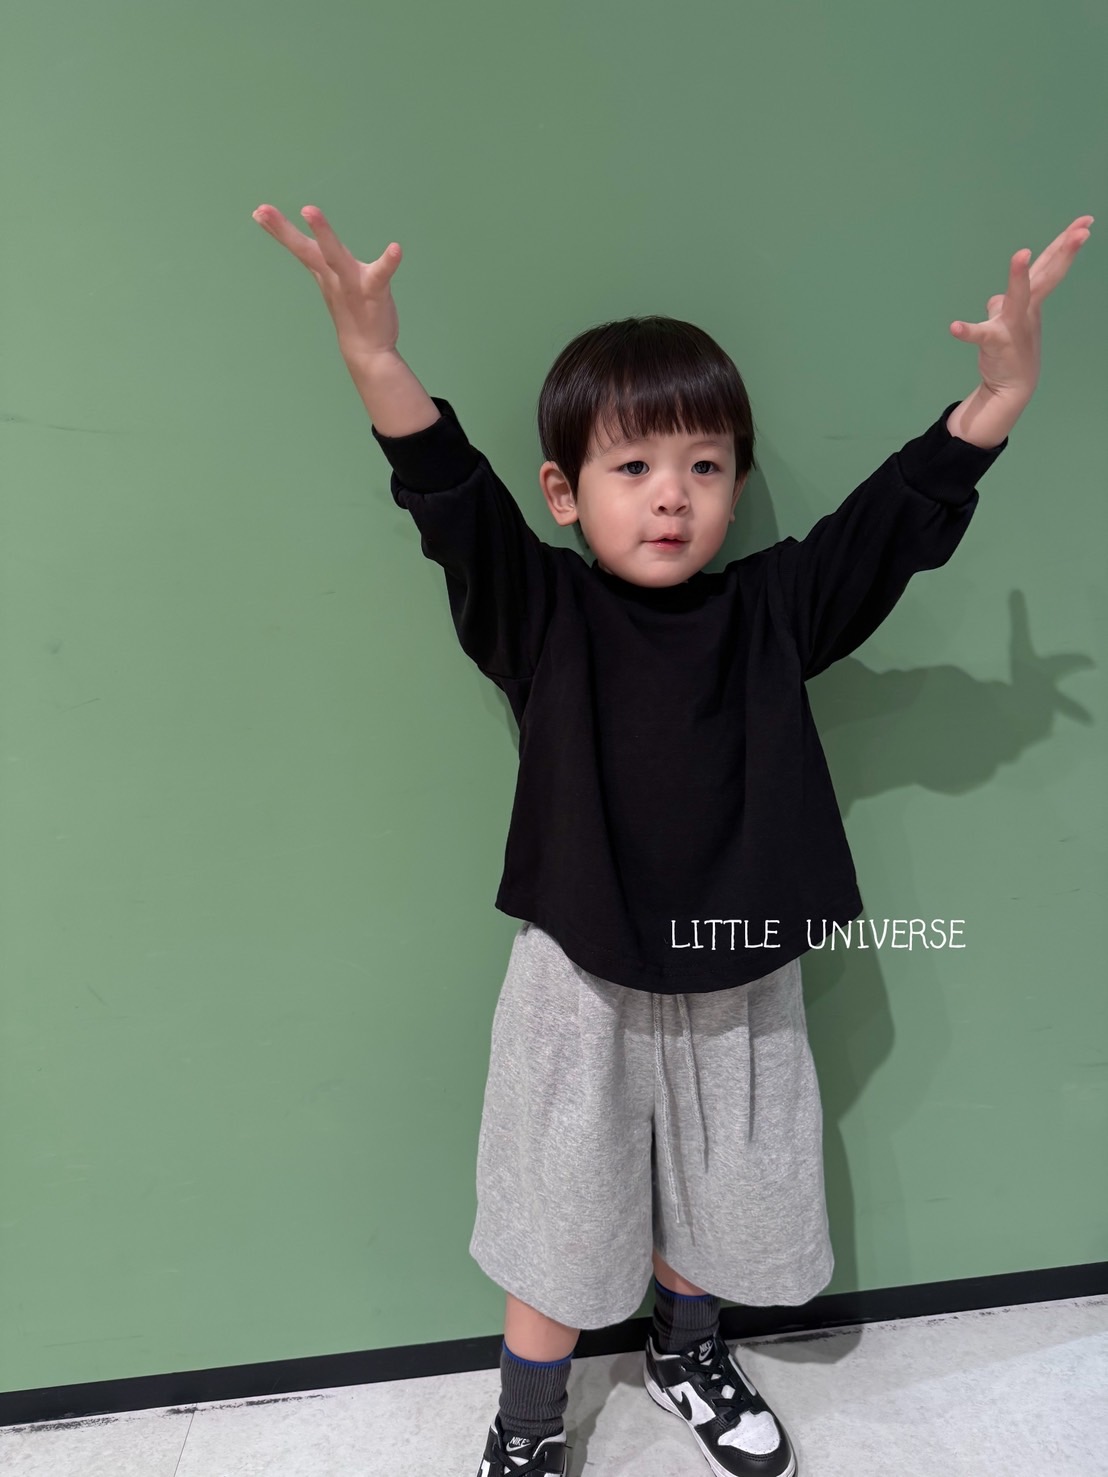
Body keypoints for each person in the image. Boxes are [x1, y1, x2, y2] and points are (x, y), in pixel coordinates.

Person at [250, 202, 1091, 1477]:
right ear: (564, 492)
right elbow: (449, 498)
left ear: (736, 488)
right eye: (633, 466)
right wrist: (375, 357)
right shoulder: (540, 610)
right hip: (577, 964)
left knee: (725, 1186)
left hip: (736, 960)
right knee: (557, 1206)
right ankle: (528, 1421)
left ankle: (685, 1351)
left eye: (703, 467)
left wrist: (997, 398)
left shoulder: (774, 607)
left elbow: (887, 525)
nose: (670, 496)